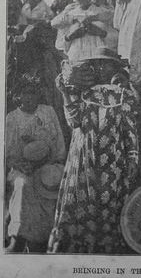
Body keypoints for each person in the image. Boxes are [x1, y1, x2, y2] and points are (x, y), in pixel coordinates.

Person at [47, 47, 138, 254]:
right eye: (97, 64)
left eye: (105, 63)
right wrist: (66, 93)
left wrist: (132, 158)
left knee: (108, 202)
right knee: (80, 200)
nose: (100, 67)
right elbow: (74, 121)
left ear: (114, 67)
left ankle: (105, 251)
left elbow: (130, 130)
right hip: (83, 156)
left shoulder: (125, 96)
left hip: (113, 158)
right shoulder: (81, 93)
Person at [5, 74, 66, 252]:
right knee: (23, 184)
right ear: (18, 95)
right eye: (25, 93)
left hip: (48, 163)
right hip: (21, 168)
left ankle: (43, 238)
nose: (30, 97)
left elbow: (59, 143)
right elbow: (8, 153)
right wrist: (22, 165)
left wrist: (51, 160)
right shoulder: (12, 118)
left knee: (51, 180)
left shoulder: (48, 111)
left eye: (33, 92)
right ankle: (19, 237)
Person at [51, 0, 115, 63]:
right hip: (76, 57)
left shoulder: (102, 12)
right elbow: (60, 41)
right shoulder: (70, 13)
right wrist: (71, 35)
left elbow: (114, 37)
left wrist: (101, 32)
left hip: (98, 56)